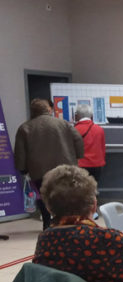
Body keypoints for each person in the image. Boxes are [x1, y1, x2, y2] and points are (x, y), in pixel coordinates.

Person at [14, 98, 84, 230]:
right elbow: (78, 139)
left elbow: (20, 151)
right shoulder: (63, 123)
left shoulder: (25, 128)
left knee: (43, 196)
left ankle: (47, 222)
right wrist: (78, 156)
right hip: (65, 168)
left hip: (39, 170)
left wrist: (22, 169)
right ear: (48, 110)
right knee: (66, 194)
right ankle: (66, 221)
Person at [74, 104, 106, 182]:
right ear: (91, 116)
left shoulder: (74, 130)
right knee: (93, 188)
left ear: (76, 116)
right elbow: (102, 148)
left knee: (81, 190)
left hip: (80, 165)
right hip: (97, 165)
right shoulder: (99, 129)